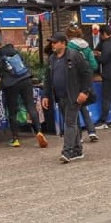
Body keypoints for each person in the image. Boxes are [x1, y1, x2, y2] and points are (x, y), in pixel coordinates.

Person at [41, 33, 94, 163]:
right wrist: (46, 95)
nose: (52, 45)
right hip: (60, 97)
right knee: (71, 122)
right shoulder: (52, 59)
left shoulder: (74, 56)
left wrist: (85, 92)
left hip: (73, 96)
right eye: (52, 42)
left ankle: (67, 151)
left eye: (55, 42)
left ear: (63, 43)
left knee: (69, 123)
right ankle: (77, 150)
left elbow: (87, 73)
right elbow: (48, 78)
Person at [0, 38, 46, 148]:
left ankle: (15, 139)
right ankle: (39, 132)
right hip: (25, 79)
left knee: (12, 111)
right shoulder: (14, 51)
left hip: (11, 84)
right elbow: (24, 65)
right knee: (30, 106)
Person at [67, 26, 100, 142]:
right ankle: (92, 131)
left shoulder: (69, 47)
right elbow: (94, 65)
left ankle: (78, 136)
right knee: (83, 106)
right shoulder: (87, 47)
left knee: (75, 107)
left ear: (68, 36)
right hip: (87, 80)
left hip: (74, 80)